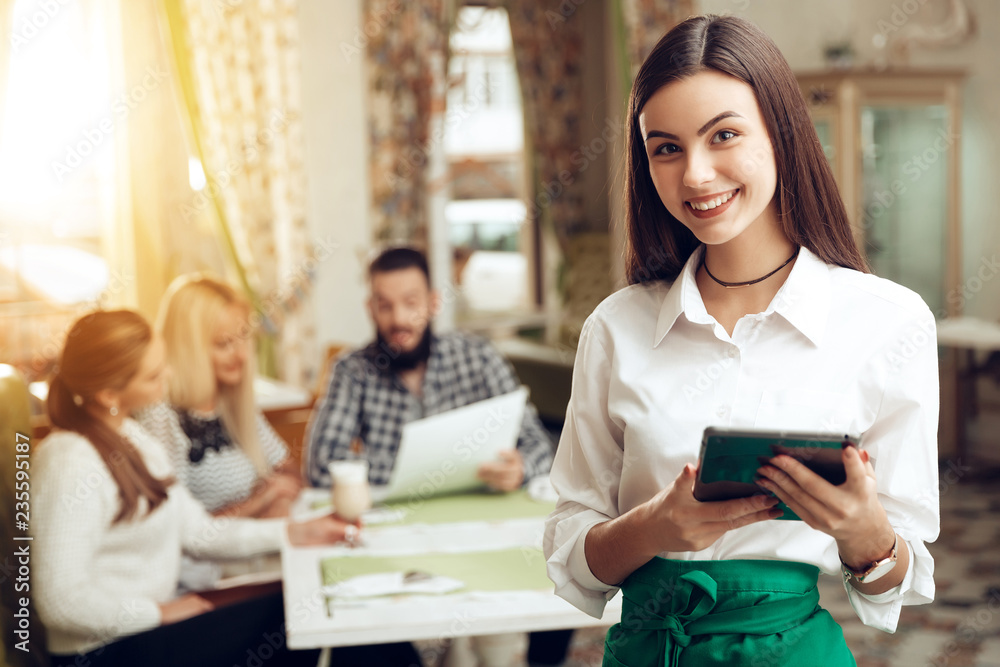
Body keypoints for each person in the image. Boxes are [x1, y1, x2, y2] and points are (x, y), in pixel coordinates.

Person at [543, 14, 938, 667]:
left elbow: (901, 579)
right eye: (665, 148)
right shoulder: (615, 328)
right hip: (648, 648)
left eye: (723, 135)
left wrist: (867, 538)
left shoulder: (888, 322)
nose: (696, 174)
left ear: (782, 136)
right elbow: (572, 553)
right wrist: (654, 528)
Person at [33, 310, 421, 667]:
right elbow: (59, 601)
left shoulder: (132, 438)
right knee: (299, 614)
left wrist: (297, 532)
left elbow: (201, 533)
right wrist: (158, 612)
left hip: (147, 628)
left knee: (325, 602)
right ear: (108, 395)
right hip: (108, 650)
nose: (167, 377)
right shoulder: (69, 461)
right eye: (153, 376)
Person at [305, 246, 572, 667]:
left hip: (482, 529)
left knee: (557, 574)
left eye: (411, 303)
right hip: (394, 537)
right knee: (369, 623)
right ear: (370, 308)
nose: (398, 320)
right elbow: (321, 464)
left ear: (432, 303)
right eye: (385, 306)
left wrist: (520, 468)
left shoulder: (478, 357)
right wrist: (411, 468)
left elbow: (540, 445)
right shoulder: (352, 370)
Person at [137, 274, 301, 518]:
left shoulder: (230, 402)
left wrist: (274, 495)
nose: (242, 356)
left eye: (244, 340)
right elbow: (173, 526)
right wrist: (259, 502)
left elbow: (288, 469)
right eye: (224, 344)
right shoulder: (161, 418)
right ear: (187, 349)